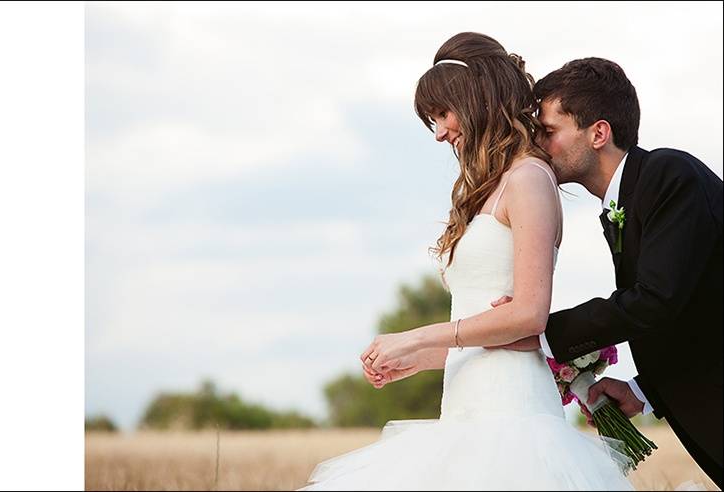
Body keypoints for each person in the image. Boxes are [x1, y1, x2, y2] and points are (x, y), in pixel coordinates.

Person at [298, 33, 633, 490]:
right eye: (431, 120)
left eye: (442, 114)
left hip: (512, 418)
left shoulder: (528, 179)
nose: (438, 132)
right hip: (464, 409)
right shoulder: (485, 190)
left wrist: (415, 336)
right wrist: (419, 357)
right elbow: (479, 327)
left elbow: (528, 315)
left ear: (477, 100)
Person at [487, 57, 723, 489]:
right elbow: (695, 314)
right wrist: (643, 389)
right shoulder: (619, 205)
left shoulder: (668, 174)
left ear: (598, 133)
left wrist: (540, 331)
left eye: (549, 131)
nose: (538, 146)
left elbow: (656, 298)